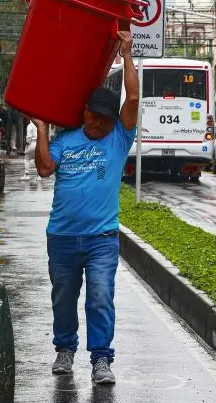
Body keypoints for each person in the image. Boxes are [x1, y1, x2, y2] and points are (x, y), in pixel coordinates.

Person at [33, 31, 138, 385]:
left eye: (106, 119)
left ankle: (101, 359)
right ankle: (65, 349)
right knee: (63, 298)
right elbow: (45, 168)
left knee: (99, 296)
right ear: (85, 112)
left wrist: (126, 54)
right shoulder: (67, 139)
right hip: (61, 237)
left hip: (100, 239)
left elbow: (134, 96)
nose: (99, 123)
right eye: (94, 116)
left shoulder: (118, 138)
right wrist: (43, 129)